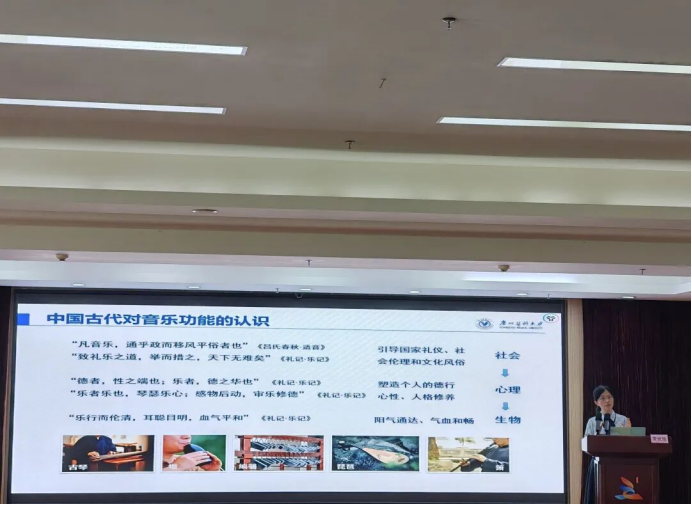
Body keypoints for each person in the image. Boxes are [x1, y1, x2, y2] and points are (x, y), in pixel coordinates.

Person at [583, 386, 632, 504]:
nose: (607, 401)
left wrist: (627, 433)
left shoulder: (623, 420)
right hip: (598, 463)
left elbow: (630, 444)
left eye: (610, 397)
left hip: (619, 463)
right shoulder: (592, 421)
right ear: (596, 402)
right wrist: (597, 434)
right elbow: (586, 446)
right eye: (602, 398)